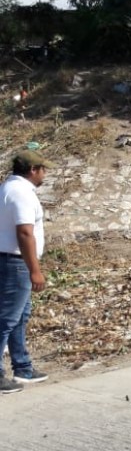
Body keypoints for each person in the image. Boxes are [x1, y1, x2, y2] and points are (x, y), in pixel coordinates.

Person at [0, 150, 55, 393]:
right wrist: (35, 270)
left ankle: (23, 367)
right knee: (7, 318)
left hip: (11, 260)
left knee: (20, 316)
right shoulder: (21, 193)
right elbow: (24, 233)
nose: (45, 174)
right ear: (33, 169)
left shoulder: (8, 188)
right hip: (16, 262)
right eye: (44, 169)